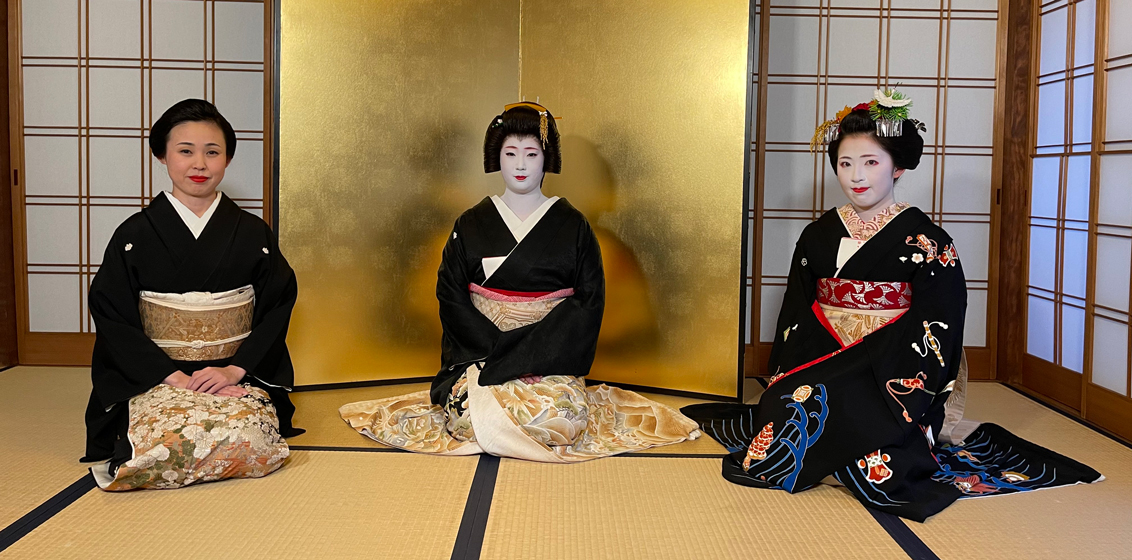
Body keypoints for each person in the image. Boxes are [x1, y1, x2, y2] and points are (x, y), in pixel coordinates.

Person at [682, 89, 1101, 521]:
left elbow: (940, 318)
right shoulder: (818, 235)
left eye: (871, 162)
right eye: (845, 164)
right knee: (788, 410)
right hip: (821, 355)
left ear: (897, 167)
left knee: (878, 451)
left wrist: (872, 358)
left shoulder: (928, 240)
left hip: (890, 366)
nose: (856, 176)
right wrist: (798, 367)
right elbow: (797, 309)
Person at [340, 102, 699, 461]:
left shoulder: (573, 226)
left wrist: (533, 358)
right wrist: (501, 354)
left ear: (547, 158)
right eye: (510, 153)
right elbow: (451, 294)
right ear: (496, 157)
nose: (521, 165)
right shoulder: (470, 223)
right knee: (466, 418)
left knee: (563, 420)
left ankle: (514, 421)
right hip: (482, 356)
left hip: (551, 362)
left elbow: (588, 301)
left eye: (531, 153)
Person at [82, 99, 301, 490]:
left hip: (234, 373)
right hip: (156, 376)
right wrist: (174, 378)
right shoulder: (133, 235)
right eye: (185, 151)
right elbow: (112, 315)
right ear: (162, 155)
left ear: (228, 159)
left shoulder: (253, 233)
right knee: (162, 443)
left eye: (212, 152)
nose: (199, 164)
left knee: (248, 436)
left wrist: (234, 371)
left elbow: (278, 305)